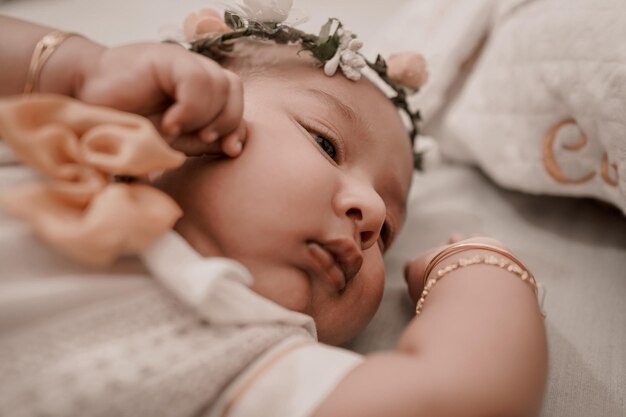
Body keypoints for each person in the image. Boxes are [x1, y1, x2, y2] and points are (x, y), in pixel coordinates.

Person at [0, 6, 547, 417]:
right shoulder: (48, 140)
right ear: (177, 106)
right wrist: (76, 69)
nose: (374, 213)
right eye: (327, 145)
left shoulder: (250, 355)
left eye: (388, 237)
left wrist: (478, 270)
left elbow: (463, 396)